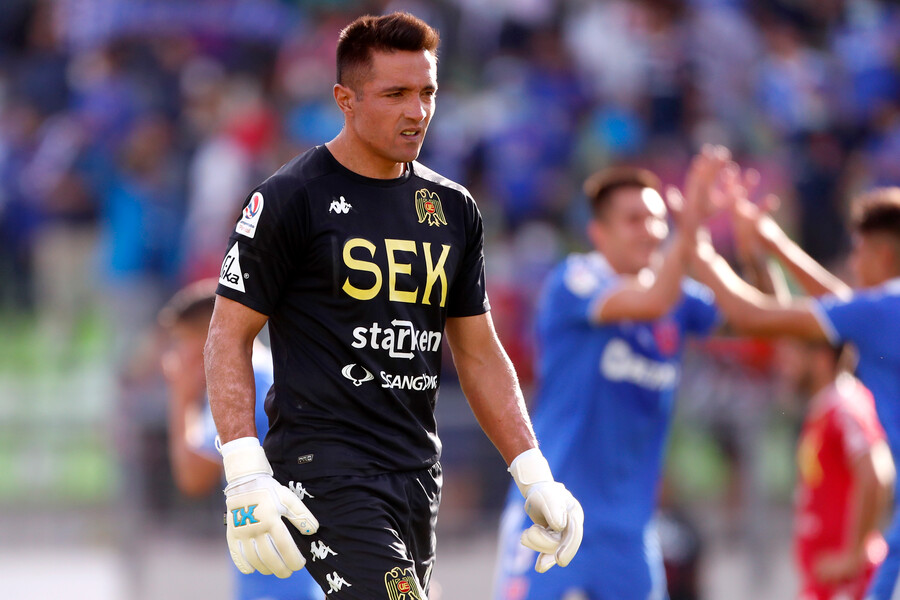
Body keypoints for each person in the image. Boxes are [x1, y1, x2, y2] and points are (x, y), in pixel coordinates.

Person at [203, 12, 583, 599]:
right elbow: (227, 334)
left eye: (427, 92)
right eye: (395, 94)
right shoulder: (289, 198)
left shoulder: (454, 209)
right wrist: (244, 469)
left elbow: (479, 353)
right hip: (324, 467)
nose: (418, 111)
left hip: (416, 471)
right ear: (345, 100)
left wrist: (534, 474)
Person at [494, 147, 730, 600]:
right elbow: (651, 302)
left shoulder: (679, 296)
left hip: (631, 535)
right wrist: (690, 228)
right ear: (598, 233)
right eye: (634, 220)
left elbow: (751, 318)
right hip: (552, 517)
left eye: (658, 219)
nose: (651, 231)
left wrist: (754, 245)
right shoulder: (575, 280)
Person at [692, 184, 900, 600]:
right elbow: (846, 307)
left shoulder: (847, 392)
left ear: (882, 255)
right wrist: (775, 246)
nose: (853, 263)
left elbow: (751, 316)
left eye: (858, 251)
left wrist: (694, 244)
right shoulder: (882, 314)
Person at [158, 279, 323, 600]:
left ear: (207, 337)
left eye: (181, 342)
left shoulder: (242, 386)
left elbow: (192, 476)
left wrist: (181, 395)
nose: (173, 358)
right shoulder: (270, 372)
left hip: (283, 580)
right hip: (295, 571)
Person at [782, 340, 894, 600]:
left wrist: (853, 556)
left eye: (793, 350)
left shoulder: (844, 407)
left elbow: (877, 473)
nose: (783, 361)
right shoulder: (824, 408)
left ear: (821, 358)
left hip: (846, 584)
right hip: (826, 581)